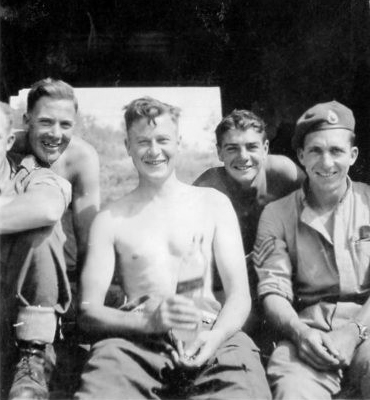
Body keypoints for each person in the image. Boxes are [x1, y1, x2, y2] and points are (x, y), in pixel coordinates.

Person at [74, 97, 271, 400]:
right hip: (133, 338)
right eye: (142, 141)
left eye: (163, 140)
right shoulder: (110, 219)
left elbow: (239, 296)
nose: (154, 151)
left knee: (245, 390)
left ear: (178, 142)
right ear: (127, 145)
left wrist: (215, 335)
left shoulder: (213, 203)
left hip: (209, 329)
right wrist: (145, 322)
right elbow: (88, 313)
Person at [255, 100, 370, 399]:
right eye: (316, 151)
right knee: (292, 389)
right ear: (301, 155)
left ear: (353, 155)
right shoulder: (277, 214)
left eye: (336, 151)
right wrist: (301, 334)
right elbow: (273, 291)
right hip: (307, 332)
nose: (327, 162)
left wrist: (353, 332)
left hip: (368, 326)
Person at [194, 110, 305, 342]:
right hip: (227, 279)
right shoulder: (206, 189)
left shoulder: (285, 173)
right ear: (219, 152)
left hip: (275, 268)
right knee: (241, 324)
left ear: (265, 148)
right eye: (232, 148)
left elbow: (318, 212)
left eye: (252, 147)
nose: (243, 156)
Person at [0, 80, 78, 399]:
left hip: (11, 311)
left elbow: (46, 209)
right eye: (45, 121)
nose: (54, 131)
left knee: (40, 233)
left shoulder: (34, 174)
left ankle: (33, 356)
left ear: (7, 141)